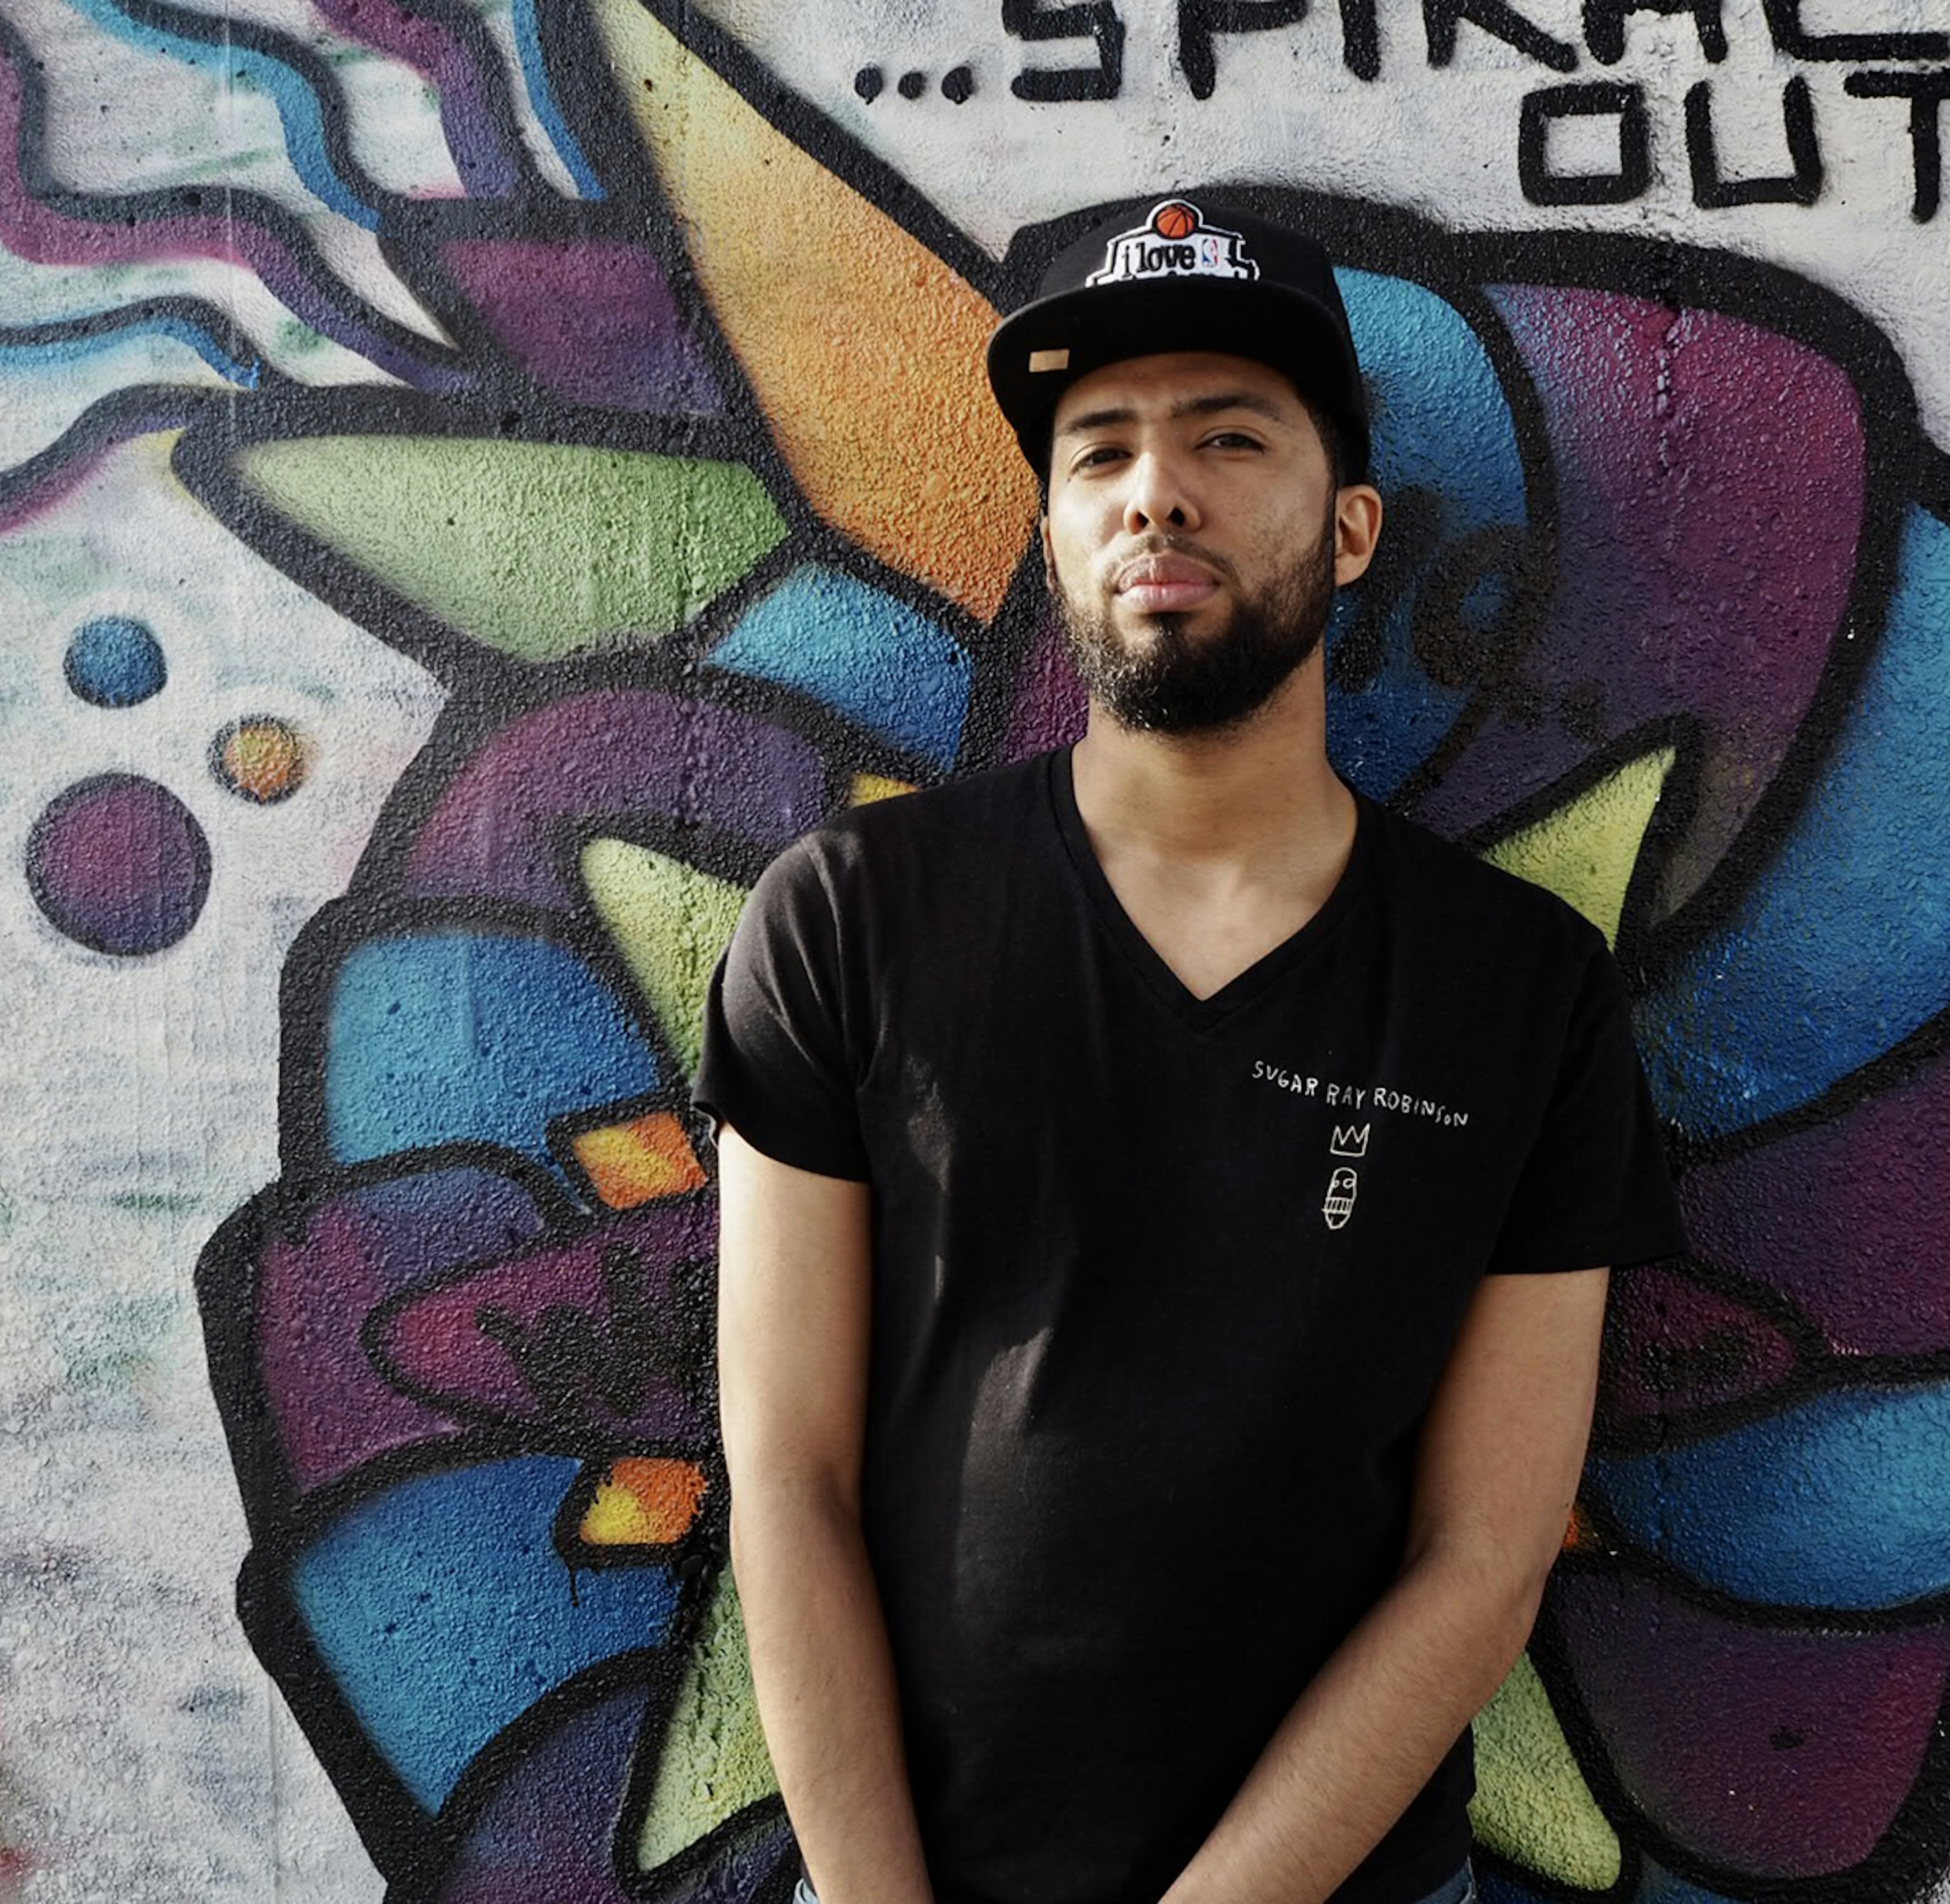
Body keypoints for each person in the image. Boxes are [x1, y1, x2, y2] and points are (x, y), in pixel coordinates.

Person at [699, 198, 1687, 1904]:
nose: (1158, 490)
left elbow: (1484, 1550)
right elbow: (786, 1474)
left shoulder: (1517, 991)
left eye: (1230, 436)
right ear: (1054, 526)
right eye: (1101, 452)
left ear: (1353, 523)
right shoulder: (847, 920)